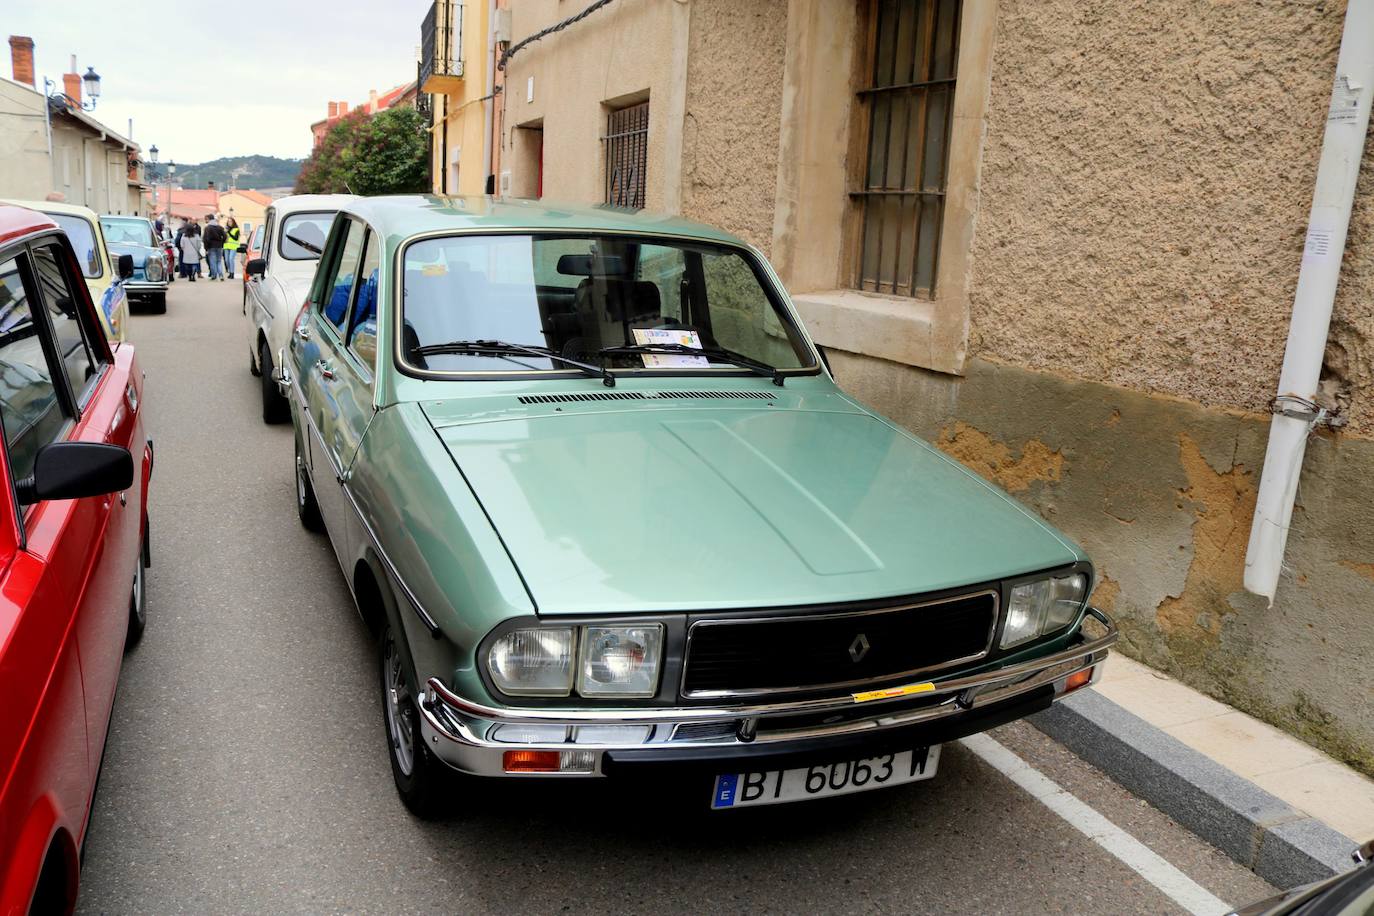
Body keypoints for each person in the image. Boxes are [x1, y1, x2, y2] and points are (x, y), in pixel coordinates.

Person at [203, 215, 227, 281]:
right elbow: (225, 236)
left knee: (212, 261)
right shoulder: (220, 227)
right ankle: (221, 275)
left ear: (209, 219)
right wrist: (222, 243)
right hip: (219, 246)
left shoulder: (207, 228)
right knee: (219, 261)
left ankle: (214, 275)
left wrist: (206, 248)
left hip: (211, 246)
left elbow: (205, 239)